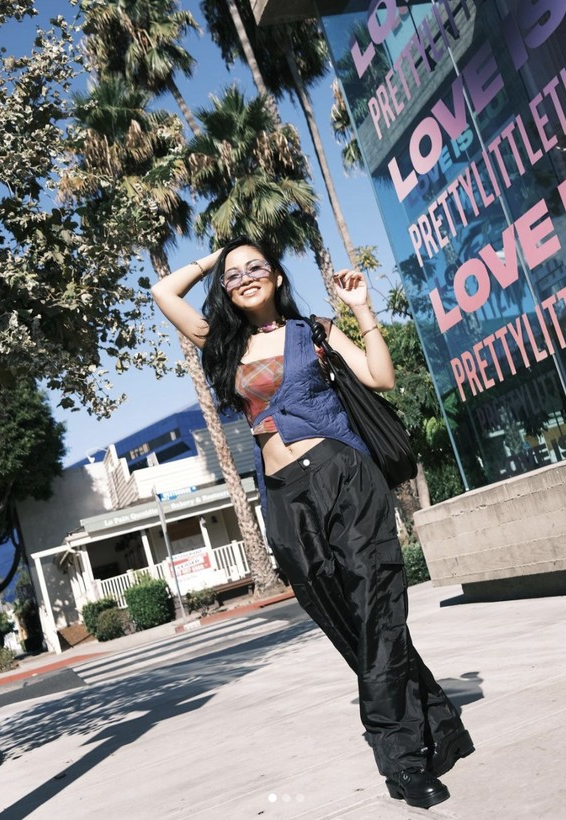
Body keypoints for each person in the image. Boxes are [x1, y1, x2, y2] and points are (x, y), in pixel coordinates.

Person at [151, 235, 474, 809]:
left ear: (277, 275)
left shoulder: (315, 331)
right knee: (344, 619)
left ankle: (398, 759)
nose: (246, 276)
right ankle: (438, 723)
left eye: (257, 266)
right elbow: (163, 291)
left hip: (344, 475)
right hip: (282, 495)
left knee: (378, 607)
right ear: (224, 289)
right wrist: (216, 257)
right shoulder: (223, 344)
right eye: (234, 274)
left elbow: (380, 377)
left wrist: (362, 310)